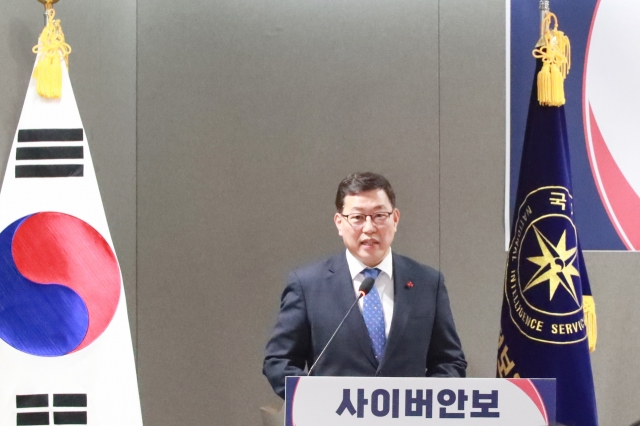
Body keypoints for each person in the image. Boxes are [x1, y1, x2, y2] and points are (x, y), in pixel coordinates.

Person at [263, 172, 466, 398]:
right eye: (358, 217)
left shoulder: (427, 283)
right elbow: (278, 361)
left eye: (379, 215)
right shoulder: (308, 285)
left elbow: (450, 361)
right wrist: (315, 400)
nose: (369, 228)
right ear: (340, 223)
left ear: (395, 219)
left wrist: (424, 402)